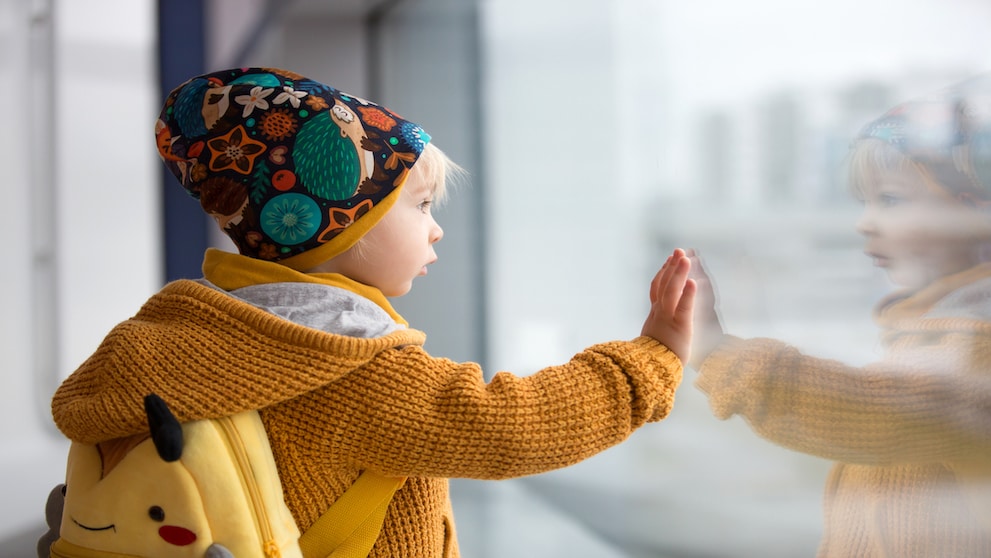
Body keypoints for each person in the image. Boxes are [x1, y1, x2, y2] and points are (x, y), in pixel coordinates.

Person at [48, 67, 695, 557]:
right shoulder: (345, 368)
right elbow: (510, 428)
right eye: (419, 206)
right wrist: (651, 360)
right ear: (342, 227)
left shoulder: (177, 339)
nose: (436, 230)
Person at [689, 75, 991, 557]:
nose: (863, 222)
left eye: (889, 199)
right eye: (864, 202)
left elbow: (875, 408)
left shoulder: (977, 346)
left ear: (977, 212)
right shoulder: (932, 332)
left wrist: (717, 352)